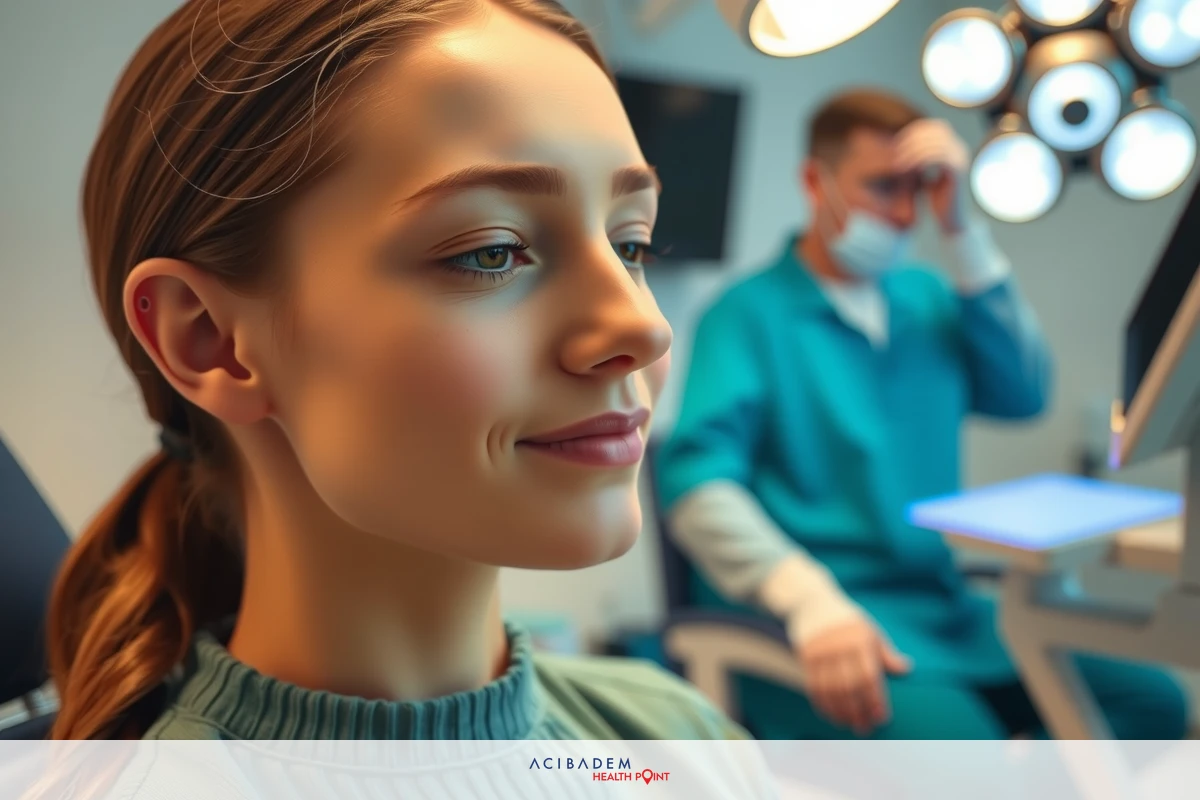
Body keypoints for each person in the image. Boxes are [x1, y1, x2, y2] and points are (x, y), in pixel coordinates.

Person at [47, 0, 751, 744]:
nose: (644, 328)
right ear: (209, 340)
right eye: (492, 251)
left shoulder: (680, 739)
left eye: (631, 245)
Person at [655, 89, 1189, 740]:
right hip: (820, 622)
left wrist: (965, 232)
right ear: (812, 181)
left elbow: (1023, 395)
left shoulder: (929, 296)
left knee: (1153, 705)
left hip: (947, 608)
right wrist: (808, 600)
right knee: (971, 758)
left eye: (921, 188)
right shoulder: (745, 316)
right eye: (883, 187)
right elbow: (696, 486)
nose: (905, 213)